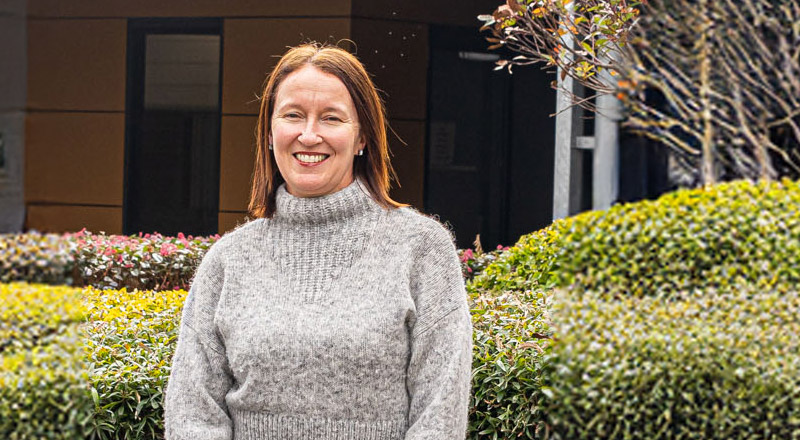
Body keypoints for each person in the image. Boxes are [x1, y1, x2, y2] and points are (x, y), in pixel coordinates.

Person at [164, 42, 473, 440]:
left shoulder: (421, 250)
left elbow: (439, 416)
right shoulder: (229, 260)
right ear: (270, 133)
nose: (309, 135)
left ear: (362, 137)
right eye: (293, 115)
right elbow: (193, 414)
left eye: (331, 118)